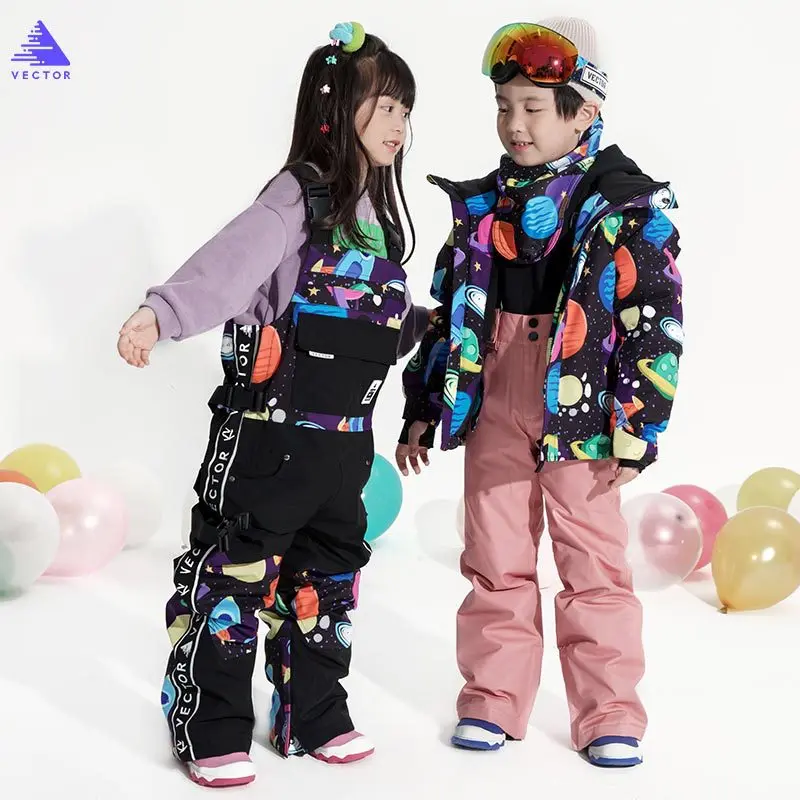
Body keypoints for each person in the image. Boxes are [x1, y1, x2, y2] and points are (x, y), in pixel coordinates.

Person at [117, 21, 428, 787]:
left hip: (345, 448)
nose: (400, 124)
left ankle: (313, 713)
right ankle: (210, 723)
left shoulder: (380, 221)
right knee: (234, 576)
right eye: (386, 105)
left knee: (328, 585)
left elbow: (373, 330)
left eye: (406, 110)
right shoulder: (298, 196)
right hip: (269, 439)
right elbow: (230, 264)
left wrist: (431, 328)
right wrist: (162, 313)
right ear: (336, 107)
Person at [396, 17, 683, 768]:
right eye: (503, 107)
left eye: (532, 107)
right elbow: (452, 310)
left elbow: (654, 323)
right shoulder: (484, 205)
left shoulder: (625, 204)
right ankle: (493, 697)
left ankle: (610, 712)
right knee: (494, 555)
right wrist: (424, 406)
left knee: (593, 565)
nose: (514, 125)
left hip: (582, 405)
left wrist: (640, 423)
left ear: (584, 111)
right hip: (494, 391)